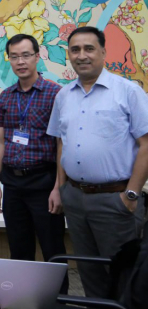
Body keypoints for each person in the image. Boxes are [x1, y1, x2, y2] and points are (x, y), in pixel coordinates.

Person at [47, 26, 148, 298]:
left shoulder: (128, 91)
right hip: (75, 198)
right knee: (89, 272)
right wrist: (61, 188)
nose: (82, 55)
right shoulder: (63, 96)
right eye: (75, 50)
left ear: (103, 52)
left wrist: (131, 194)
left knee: (123, 276)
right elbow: (61, 143)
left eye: (89, 48)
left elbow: (146, 145)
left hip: (115, 199)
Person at [0, 34, 67, 289]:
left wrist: (58, 188)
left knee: (52, 249)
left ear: (37, 56)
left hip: (44, 183)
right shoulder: (6, 96)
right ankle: (21, 299)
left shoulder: (55, 93)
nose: (20, 61)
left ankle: (58, 302)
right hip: (13, 184)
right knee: (19, 249)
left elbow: (61, 144)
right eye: (14, 57)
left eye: (25, 55)